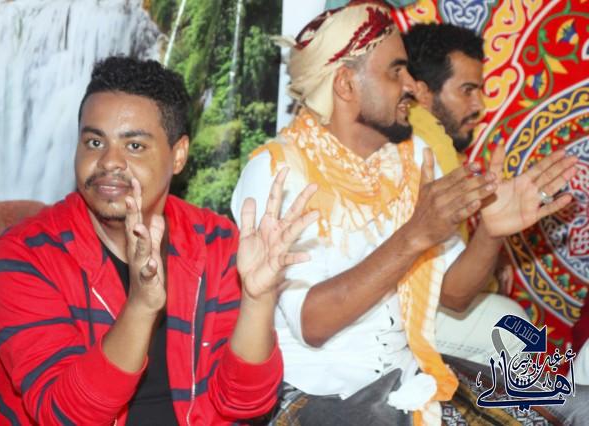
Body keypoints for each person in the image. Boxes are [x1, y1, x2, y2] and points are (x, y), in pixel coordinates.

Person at [231, 1, 578, 424]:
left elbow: (454, 294)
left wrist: (491, 232)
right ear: (346, 84)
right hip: (312, 394)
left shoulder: (414, 158)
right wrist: (414, 235)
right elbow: (312, 324)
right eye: (396, 71)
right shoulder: (278, 170)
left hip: (407, 380)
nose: (412, 86)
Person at [0, 56, 318, 425]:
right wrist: (141, 306)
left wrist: (258, 301)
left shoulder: (216, 243)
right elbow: (66, 415)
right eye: (94, 142)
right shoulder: (25, 256)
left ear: (179, 155)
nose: (109, 161)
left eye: (134, 146)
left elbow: (246, 404)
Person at [402, 22, 524, 364]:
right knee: (513, 327)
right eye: (467, 90)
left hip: (415, 303)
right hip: (396, 315)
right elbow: (454, 293)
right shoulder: (426, 145)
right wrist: (491, 238)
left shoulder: (431, 140)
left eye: (480, 90)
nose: (479, 104)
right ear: (422, 93)